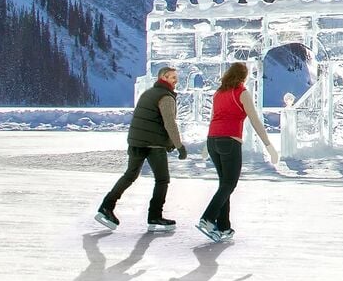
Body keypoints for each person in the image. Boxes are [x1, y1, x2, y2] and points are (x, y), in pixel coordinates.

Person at [96, 65, 186, 231]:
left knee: (130, 175)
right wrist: (178, 145)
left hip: (136, 142)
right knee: (162, 180)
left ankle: (106, 207)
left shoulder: (149, 94)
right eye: (173, 77)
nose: (176, 80)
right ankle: (155, 216)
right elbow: (169, 123)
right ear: (164, 77)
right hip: (153, 145)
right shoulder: (165, 97)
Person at [198, 61, 279, 242]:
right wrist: (268, 145)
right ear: (243, 77)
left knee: (224, 184)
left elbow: (213, 118)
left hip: (213, 141)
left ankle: (224, 226)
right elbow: (255, 120)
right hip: (230, 141)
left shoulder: (218, 93)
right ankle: (208, 218)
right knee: (229, 184)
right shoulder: (241, 93)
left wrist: (206, 145)